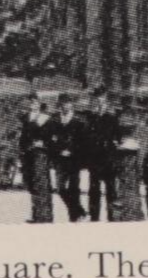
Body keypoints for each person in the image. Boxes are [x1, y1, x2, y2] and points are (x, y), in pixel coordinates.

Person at [80, 88, 123, 222]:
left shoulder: (113, 115)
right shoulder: (91, 116)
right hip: (94, 158)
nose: (99, 100)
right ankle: (94, 218)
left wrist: (115, 149)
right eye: (97, 97)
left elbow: (118, 136)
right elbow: (86, 137)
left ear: (106, 99)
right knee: (94, 190)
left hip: (108, 158)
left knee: (111, 190)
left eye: (101, 97)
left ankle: (112, 218)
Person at [19, 98, 58, 224]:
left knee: (42, 184)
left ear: (40, 104)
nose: (33, 105)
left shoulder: (45, 119)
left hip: (41, 154)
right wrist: (23, 150)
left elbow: (52, 138)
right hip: (28, 154)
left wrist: (44, 143)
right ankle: (36, 215)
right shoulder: (26, 118)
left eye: (35, 103)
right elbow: (23, 136)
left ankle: (45, 216)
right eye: (31, 102)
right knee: (31, 184)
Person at [51, 95, 87, 223]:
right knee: (60, 188)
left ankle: (74, 217)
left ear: (72, 104)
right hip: (60, 159)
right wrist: (59, 150)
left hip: (74, 160)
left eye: (67, 103)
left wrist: (72, 151)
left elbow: (83, 141)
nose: (65, 105)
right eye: (62, 103)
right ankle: (80, 211)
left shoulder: (79, 120)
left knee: (74, 189)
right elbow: (52, 138)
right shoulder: (55, 119)